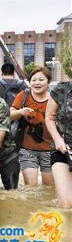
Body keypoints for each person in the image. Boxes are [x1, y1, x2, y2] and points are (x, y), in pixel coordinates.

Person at [10, 67, 54, 186]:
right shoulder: (23, 95)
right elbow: (10, 114)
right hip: (27, 150)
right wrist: (21, 112)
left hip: (50, 150)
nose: (37, 83)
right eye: (33, 80)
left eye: (41, 79)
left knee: (49, 189)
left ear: (48, 82)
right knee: (31, 188)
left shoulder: (54, 98)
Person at [45, 60, 72, 208]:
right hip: (62, 149)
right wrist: (58, 139)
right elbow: (49, 117)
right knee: (67, 203)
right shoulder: (61, 89)